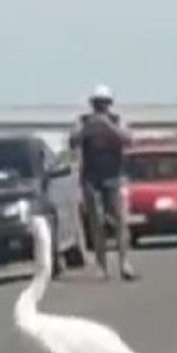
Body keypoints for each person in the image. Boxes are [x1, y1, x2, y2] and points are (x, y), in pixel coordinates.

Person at [69, 84, 138, 281]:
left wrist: (108, 127)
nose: (101, 108)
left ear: (110, 104)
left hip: (114, 176)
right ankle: (101, 266)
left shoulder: (118, 120)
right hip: (91, 177)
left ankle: (125, 262)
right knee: (96, 221)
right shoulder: (82, 121)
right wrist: (87, 130)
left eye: (104, 103)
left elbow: (128, 139)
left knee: (120, 221)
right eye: (98, 104)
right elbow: (73, 141)